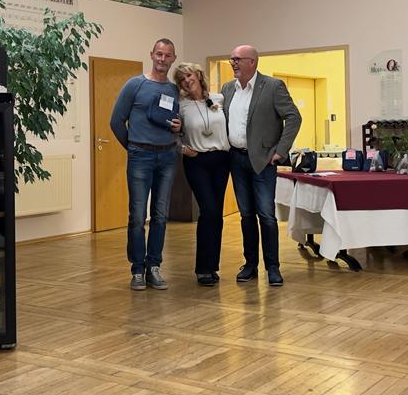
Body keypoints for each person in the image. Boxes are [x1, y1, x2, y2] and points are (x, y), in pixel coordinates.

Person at [221, 45, 301, 286]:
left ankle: (273, 267)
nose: (233, 63)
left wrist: (280, 151)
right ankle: (250, 265)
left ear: (253, 62)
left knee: (266, 215)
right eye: (231, 59)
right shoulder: (227, 89)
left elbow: (294, 117)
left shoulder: (273, 86)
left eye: (238, 59)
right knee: (246, 215)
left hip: (263, 161)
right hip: (236, 160)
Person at [110, 38, 181, 290]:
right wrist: (133, 147)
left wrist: (178, 127)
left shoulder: (174, 90)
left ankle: (154, 267)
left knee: (160, 216)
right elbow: (116, 121)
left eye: (167, 55)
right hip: (140, 156)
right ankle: (137, 269)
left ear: (173, 59)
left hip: (168, 158)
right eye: (159, 54)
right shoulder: (135, 85)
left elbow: (177, 122)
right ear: (152, 55)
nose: (162, 59)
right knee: (138, 216)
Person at [172, 63, 231, 287]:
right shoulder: (181, 106)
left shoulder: (219, 99)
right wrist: (182, 148)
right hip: (197, 162)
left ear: (197, 75)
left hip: (221, 160)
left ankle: (212, 266)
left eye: (189, 75)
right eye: (182, 79)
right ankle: (203, 269)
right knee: (209, 210)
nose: (187, 81)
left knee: (217, 214)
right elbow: (169, 131)